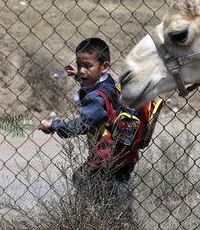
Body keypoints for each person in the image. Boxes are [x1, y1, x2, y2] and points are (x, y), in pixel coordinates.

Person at [38, 37, 138, 206]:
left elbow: (82, 125)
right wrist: (78, 75)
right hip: (124, 156)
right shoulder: (110, 84)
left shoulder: (96, 98)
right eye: (79, 65)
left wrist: (54, 125)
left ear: (104, 67)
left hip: (105, 159)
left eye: (88, 66)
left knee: (84, 181)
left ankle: (90, 217)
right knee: (116, 198)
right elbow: (95, 83)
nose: (82, 71)